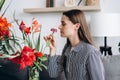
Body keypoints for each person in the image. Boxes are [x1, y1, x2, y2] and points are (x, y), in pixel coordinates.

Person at [44, 9, 105, 80]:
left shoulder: (91, 52)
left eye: (63, 24)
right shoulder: (67, 49)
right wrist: (52, 50)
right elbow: (53, 73)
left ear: (76, 26)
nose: (59, 27)